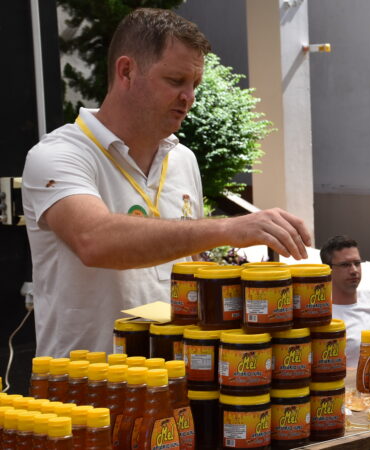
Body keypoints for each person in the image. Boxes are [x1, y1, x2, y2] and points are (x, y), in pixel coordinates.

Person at [22, 8, 311, 358]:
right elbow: (93, 240)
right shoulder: (58, 153)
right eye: (176, 81)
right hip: (85, 392)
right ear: (126, 71)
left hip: (172, 386)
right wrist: (227, 229)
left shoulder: (183, 159)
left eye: (194, 85)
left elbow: (186, 263)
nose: (189, 97)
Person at [321, 235, 370, 367]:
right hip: (347, 386)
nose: (354, 270)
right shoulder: (321, 315)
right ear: (328, 269)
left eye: (357, 263)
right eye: (345, 265)